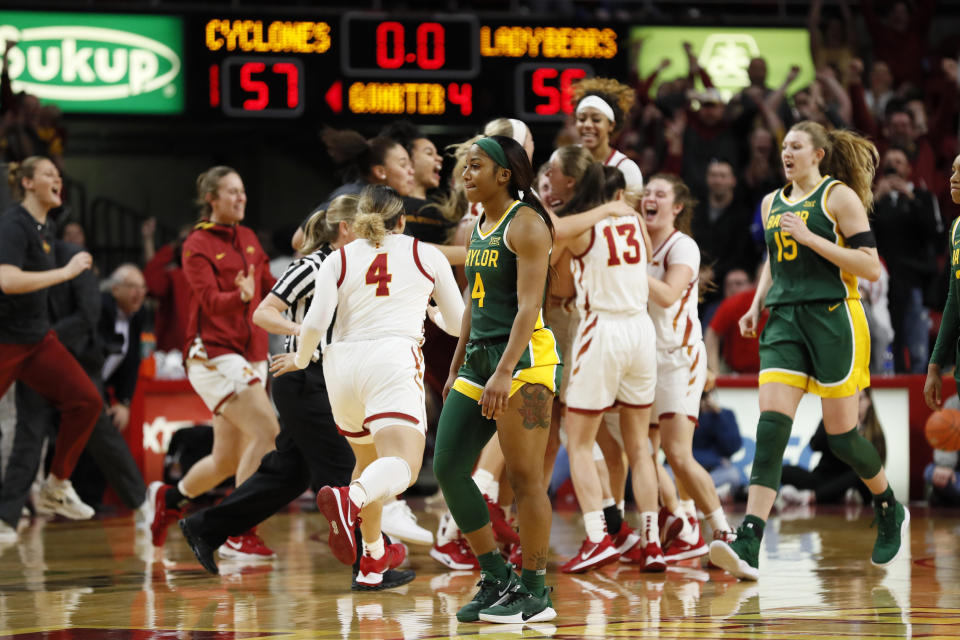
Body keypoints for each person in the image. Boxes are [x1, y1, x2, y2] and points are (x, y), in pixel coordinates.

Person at [710, 121, 909, 581]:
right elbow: (772, 259)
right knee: (771, 428)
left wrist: (813, 238)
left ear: (818, 154)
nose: (787, 152)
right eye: (783, 146)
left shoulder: (839, 197)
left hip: (834, 317)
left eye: (796, 146)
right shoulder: (770, 202)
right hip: (783, 320)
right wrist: (756, 304)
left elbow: (870, 267)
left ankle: (886, 504)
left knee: (842, 438)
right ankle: (751, 538)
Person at [179, 195, 372, 579]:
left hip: (323, 379)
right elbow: (263, 312)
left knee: (289, 474)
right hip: (301, 379)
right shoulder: (312, 266)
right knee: (342, 468)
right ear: (345, 229)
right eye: (365, 228)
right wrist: (304, 334)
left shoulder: (350, 268)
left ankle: (206, 527)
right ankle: (366, 566)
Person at [297, 185, 463, 589]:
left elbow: (315, 325)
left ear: (355, 222)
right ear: (402, 220)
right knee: (403, 467)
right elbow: (460, 325)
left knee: (368, 464)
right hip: (390, 361)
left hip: (341, 368)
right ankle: (348, 500)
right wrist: (435, 315)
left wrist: (301, 361)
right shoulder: (427, 254)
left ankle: (372, 560)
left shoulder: (337, 258)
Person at [433, 135, 560, 624]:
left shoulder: (527, 225)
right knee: (448, 467)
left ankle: (535, 590)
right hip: (478, 360)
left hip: (525, 362)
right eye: (465, 166)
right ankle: (495, 575)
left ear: (504, 175)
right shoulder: (479, 226)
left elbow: (529, 307)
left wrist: (505, 372)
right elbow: (471, 302)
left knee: (526, 480)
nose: (466, 173)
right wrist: (454, 365)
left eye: (476, 165)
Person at [149, 166, 280, 560]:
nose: (241, 198)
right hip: (213, 353)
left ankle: (170, 499)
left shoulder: (249, 237)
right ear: (212, 199)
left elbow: (270, 285)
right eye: (232, 192)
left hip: (252, 352)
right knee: (268, 432)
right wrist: (239, 297)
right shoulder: (197, 243)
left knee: (225, 459)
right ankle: (238, 531)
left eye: (243, 192)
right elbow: (207, 302)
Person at [554, 153, 663, 574]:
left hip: (601, 330)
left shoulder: (585, 226)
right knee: (640, 447)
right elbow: (649, 253)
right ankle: (652, 543)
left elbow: (556, 231)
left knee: (577, 439)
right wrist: (622, 209)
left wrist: (604, 208)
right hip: (640, 330)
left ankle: (598, 538)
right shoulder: (635, 222)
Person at [0, 156, 100, 531]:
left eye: (58, 174)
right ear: (27, 183)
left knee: (86, 401)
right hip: (5, 338)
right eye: (47, 174)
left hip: (36, 338)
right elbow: (6, 280)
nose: (57, 178)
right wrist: (66, 272)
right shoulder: (13, 224)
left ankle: (56, 486)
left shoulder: (46, 227)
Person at [643, 173, 733, 563]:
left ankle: (723, 530)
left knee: (678, 454)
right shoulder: (636, 245)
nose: (650, 198)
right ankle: (683, 521)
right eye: (645, 192)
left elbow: (665, 295)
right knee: (641, 454)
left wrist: (625, 267)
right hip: (644, 360)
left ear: (676, 207)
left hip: (679, 356)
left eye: (659, 194)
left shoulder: (684, 246)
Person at [291, 130, 415, 251]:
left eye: (411, 165)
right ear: (380, 172)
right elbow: (299, 241)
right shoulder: (352, 196)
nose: (411, 171)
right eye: (403, 165)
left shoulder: (385, 202)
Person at [780, 389, 885, 506]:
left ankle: (810, 497)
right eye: (850, 400)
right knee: (785, 471)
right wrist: (835, 429)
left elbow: (874, 468)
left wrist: (854, 437)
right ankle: (833, 496)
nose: (855, 404)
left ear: (868, 401)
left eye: (860, 399)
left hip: (854, 481)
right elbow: (814, 445)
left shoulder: (875, 432)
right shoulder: (833, 418)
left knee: (859, 476)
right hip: (824, 479)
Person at [924, 153, 960, 409]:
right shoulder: (956, 228)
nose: (953, 179)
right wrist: (935, 364)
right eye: (952, 171)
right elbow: (953, 301)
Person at [572, 78, 643, 193]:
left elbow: (632, 210)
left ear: (611, 125)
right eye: (581, 119)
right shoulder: (562, 159)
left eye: (596, 119)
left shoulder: (627, 168)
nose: (587, 125)